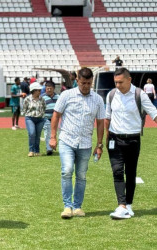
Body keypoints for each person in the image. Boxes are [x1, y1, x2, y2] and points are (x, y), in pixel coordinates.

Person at [49, 67, 105, 219]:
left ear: (92, 81)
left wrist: (99, 145)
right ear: (77, 81)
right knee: (67, 171)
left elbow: (100, 123)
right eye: (82, 83)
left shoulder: (98, 99)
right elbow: (56, 115)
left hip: (86, 143)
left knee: (81, 175)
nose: (85, 86)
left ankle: (77, 206)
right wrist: (53, 136)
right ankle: (67, 206)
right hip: (67, 139)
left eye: (88, 83)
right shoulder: (67, 95)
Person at [105, 68, 157, 219]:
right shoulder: (111, 95)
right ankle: (121, 205)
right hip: (114, 138)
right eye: (116, 82)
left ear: (129, 80)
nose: (118, 85)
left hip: (133, 139)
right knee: (117, 171)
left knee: (131, 172)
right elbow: (107, 117)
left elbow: (154, 113)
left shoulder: (139, 94)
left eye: (120, 82)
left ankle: (128, 205)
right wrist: (105, 140)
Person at [22, 82, 46, 157]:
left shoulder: (42, 99)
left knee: (38, 135)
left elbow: (44, 108)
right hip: (30, 118)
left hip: (40, 119)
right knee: (32, 133)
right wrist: (28, 115)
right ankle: (31, 150)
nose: (40, 91)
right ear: (34, 90)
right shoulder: (27, 99)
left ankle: (37, 151)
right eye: (38, 90)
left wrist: (41, 115)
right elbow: (24, 109)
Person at [41, 81, 59, 156]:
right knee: (48, 132)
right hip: (46, 118)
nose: (48, 90)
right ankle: (49, 149)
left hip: (56, 119)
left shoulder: (58, 97)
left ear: (53, 89)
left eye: (50, 88)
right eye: (47, 88)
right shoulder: (42, 97)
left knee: (55, 132)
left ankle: (53, 145)